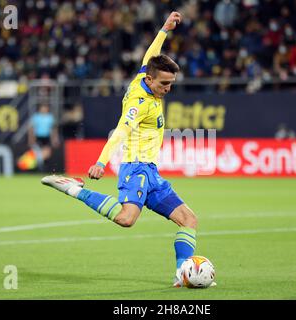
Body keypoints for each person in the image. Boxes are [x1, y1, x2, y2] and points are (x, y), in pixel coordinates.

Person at [41, 12, 213, 287]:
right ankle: (74, 188)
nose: (168, 89)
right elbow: (121, 131)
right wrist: (101, 161)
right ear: (151, 80)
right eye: (164, 84)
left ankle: (182, 274)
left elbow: (151, 54)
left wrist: (164, 29)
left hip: (151, 171)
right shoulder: (138, 102)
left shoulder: (145, 75)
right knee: (126, 219)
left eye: (171, 83)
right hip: (135, 167)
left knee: (189, 219)